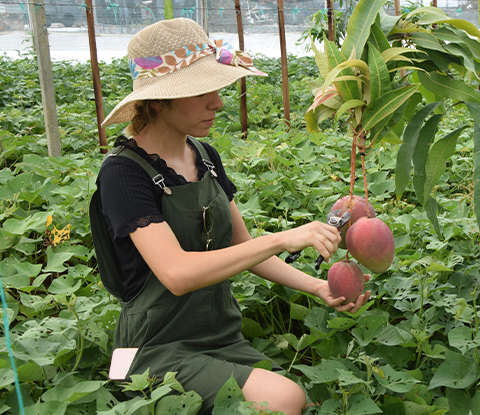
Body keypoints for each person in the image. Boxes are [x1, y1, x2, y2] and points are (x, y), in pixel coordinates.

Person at [89, 18, 370, 415]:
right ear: (158, 100)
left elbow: (243, 247)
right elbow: (177, 273)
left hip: (219, 337)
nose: (218, 103)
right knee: (286, 398)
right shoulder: (123, 173)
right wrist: (281, 237)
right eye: (202, 92)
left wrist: (317, 286)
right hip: (156, 348)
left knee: (302, 398)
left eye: (217, 89)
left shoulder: (204, 157)